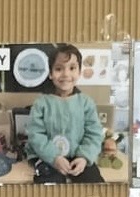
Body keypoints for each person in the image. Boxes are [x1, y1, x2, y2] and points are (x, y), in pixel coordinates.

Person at [25, 43, 105, 184]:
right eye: (58, 69)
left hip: (78, 157)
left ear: (79, 72)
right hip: (46, 156)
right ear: (50, 74)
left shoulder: (86, 103)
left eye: (72, 68)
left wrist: (84, 157)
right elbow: (35, 134)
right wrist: (54, 157)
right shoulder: (41, 103)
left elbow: (94, 134)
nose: (66, 74)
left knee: (95, 186)